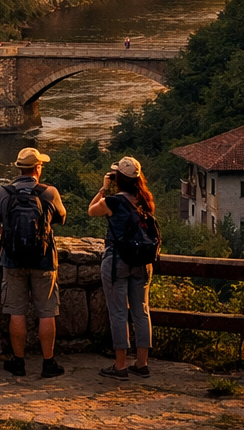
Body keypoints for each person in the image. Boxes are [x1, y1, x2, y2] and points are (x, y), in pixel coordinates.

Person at [0, 146, 68, 379]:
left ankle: (19, 362)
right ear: (37, 168)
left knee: (16, 311)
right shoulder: (49, 192)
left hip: (12, 260)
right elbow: (61, 218)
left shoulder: (4, 193)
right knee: (46, 312)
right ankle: (48, 363)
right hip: (43, 259)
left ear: (19, 168)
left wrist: (8, 231)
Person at [87, 156, 156, 379]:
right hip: (142, 262)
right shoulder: (145, 201)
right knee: (141, 311)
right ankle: (142, 363)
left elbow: (91, 210)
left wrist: (103, 188)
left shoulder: (114, 202)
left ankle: (120, 366)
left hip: (117, 261)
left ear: (118, 178)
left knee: (118, 312)